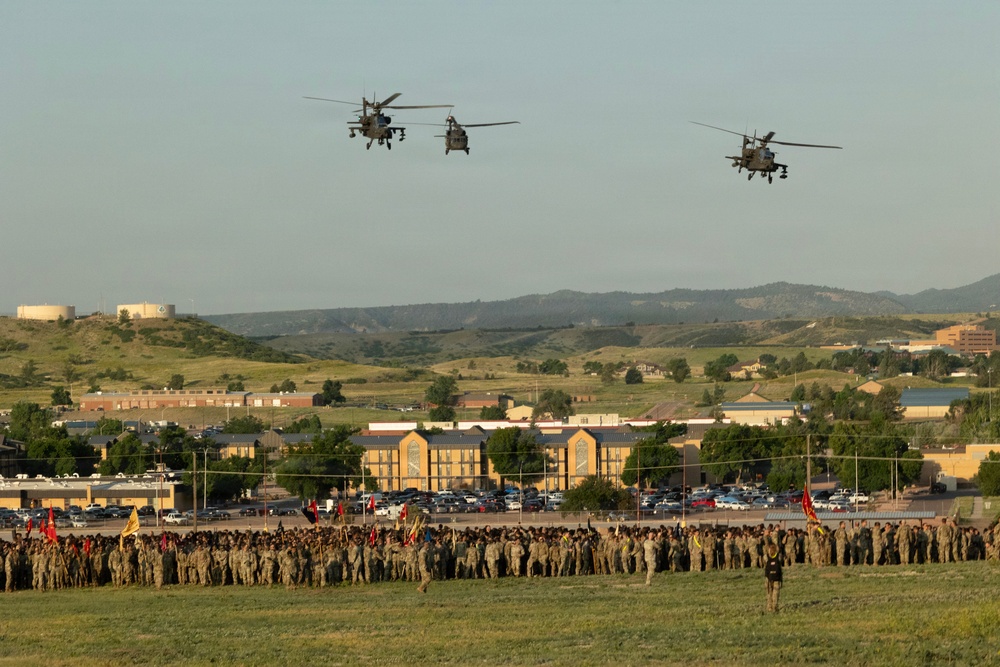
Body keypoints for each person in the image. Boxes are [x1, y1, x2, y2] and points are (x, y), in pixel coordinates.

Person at [764, 543, 783, 613]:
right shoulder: (779, 556)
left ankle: (769, 607)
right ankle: (775, 607)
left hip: (768, 578)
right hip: (777, 578)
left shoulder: (766, 557)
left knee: (769, 593)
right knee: (776, 593)